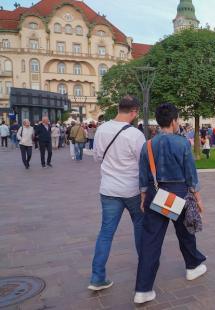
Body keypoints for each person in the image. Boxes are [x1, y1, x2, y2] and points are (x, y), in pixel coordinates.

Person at [135, 103, 206, 304]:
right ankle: (192, 266)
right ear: (174, 121)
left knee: (150, 241)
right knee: (186, 233)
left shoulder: (148, 144)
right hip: (178, 194)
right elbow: (190, 174)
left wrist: (142, 196)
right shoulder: (182, 143)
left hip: (155, 194)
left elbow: (142, 174)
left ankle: (143, 289)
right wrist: (198, 199)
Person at [88, 95, 146, 291]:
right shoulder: (135, 134)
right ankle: (145, 271)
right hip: (131, 189)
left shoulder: (102, 129)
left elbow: (97, 157)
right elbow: (143, 162)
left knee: (105, 233)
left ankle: (97, 277)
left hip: (109, 188)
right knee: (140, 228)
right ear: (134, 111)